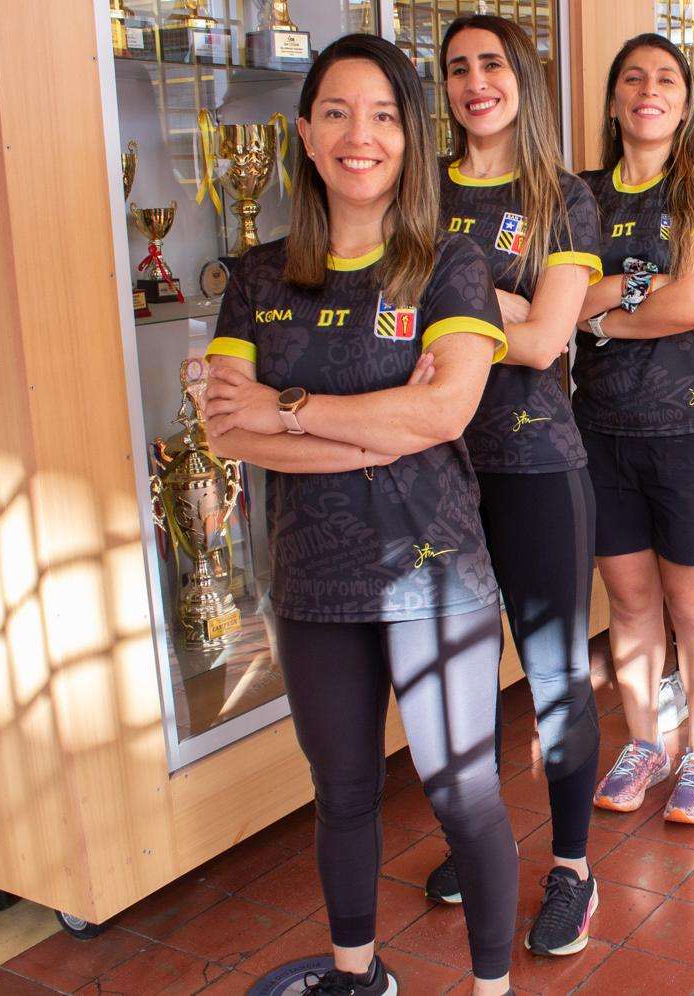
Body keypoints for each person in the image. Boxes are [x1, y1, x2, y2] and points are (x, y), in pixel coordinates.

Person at [202, 34, 517, 996]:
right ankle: (356, 975)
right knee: (340, 793)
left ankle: (492, 986)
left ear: (410, 137)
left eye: (382, 116)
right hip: (314, 576)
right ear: (304, 133)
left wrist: (290, 407)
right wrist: (375, 433)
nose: (359, 136)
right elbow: (227, 430)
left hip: (435, 569)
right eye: (336, 113)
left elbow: (445, 412)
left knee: (462, 791)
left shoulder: (450, 263)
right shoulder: (257, 278)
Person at [426, 14, 604, 958]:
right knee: (461, 677)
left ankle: (573, 867)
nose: (474, 82)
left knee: (556, 677)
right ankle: (483, 843)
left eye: (491, 64)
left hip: (534, 463)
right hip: (433, 468)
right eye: (457, 68)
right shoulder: (418, 187)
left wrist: (453, 301)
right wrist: (504, 300)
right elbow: (383, 313)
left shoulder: (560, 196)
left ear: (523, 79)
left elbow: (542, 343)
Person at [576, 33, 694, 824]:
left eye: (667, 80)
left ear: (684, 104)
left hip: (693, 427)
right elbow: (562, 297)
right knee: (630, 598)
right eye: (634, 78)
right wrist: (648, 280)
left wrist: (605, 315)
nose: (649, 90)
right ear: (615, 99)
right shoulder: (581, 197)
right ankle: (646, 742)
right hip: (602, 427)